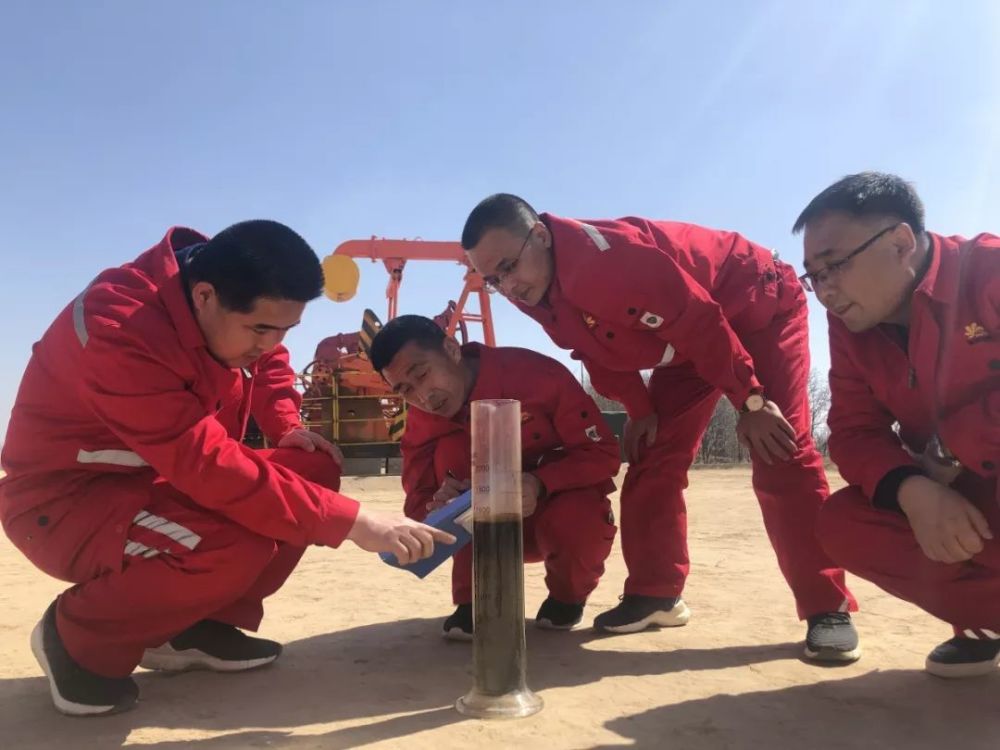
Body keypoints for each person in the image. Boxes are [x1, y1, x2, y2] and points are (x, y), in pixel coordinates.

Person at [0, 221, 451, 716]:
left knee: (312, 465)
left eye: (285, 329)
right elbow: (205, 464)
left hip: (155, 481)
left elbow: (270, 357)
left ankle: (196, 626)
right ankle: (76, 636)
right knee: (233, 546)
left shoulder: (232, 301)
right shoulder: (119, 331)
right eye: (260, 329)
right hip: (66, 503)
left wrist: (283, 424)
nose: (271, 342)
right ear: (205, 295)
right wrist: (356, 523)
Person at [460, 194, 859, 662]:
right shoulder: (534, 288)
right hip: (684, 343)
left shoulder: (609, 260)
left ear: (541, 236)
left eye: (508, 266)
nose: (507, 286)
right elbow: (593, 349)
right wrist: (640, 409)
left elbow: (702, 319)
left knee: (779, 450)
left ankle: (827, 608)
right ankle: (656, 594)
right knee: (651, 454)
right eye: (492, 279)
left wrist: (750, 400)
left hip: (753, 311)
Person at [795, 171, 1000, 677]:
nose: (825, 291)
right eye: (813, 277)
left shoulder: (990, 273)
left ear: (901, 242)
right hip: (958, 490)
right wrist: (911, 489)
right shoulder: (851, 322)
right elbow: (853, 430)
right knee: (845, 523)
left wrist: (950, 451)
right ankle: (987, 618)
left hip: (962, 473)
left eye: (834, 266)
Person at [369, 314, 620, 639]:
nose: (423, 396)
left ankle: (567, 596)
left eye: (422, 373)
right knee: (451, 453)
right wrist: (438, 508)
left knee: (578, 509)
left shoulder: (537, 376)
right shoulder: (420, 422)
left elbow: (602, 454)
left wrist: (540, 483)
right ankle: (475, 601)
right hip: (481, 530)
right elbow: (417, 507)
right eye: (405, 389)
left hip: (552, 517)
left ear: (451, 349)